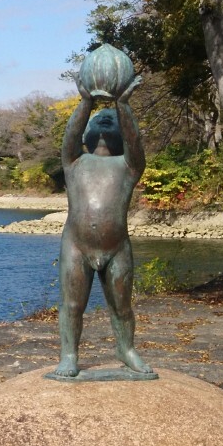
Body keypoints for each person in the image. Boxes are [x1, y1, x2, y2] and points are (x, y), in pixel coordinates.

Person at [49, 72, 154, 381]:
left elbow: (134, 140)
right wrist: (86, 102)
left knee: (122, 306)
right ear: (87, 133)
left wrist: (122, 105)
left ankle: (126, 349)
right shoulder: (74, 162)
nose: (105, 120)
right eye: (99, 119)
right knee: (72, 304)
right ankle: (69, 355)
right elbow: (70, 133)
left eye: (112, 119)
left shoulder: (129, 165)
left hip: (116, 246)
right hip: (76, 244)